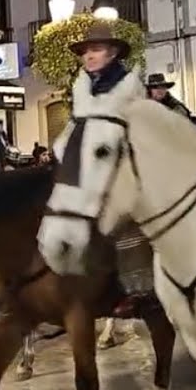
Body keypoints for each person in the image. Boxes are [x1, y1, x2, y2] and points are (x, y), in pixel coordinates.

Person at [68, 22, 157, 318]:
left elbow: (140, 127)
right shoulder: (83, 86)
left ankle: (139, 288)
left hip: (124, 162)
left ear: (112, 52)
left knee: (124, 218)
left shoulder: (128, 86)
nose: (89, 56)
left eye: (96, 50)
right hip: (89, 165)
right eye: (85, 52)